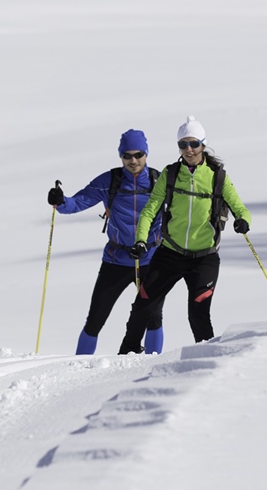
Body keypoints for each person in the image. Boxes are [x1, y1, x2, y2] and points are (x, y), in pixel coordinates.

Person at [119, 116, 252, 352]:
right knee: (143, 305)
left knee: (198, 314)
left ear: (203, 144)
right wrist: (140, 241)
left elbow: (239, 207)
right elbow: (150, 210)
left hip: (205, 257)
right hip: (170, 253)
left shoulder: (217, 177)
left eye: (193, 144)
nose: (188, 150)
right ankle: (126, 354)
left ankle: (208, 360)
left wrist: (243, 221)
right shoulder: (170, 175)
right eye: (183, 145)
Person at [47, 129, 165, 355]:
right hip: (116, 260)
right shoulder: (110, 181)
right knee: (95, 319)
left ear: (146, 154)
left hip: (151, 259)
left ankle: (154, 369)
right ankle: (77, 371)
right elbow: (78, 203)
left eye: (138, 154)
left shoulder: (159, 181)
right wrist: (61, 202)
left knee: (153, 318)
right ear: (120, 156)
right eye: (127, 156)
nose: (133, 160)